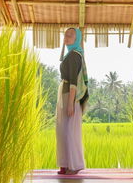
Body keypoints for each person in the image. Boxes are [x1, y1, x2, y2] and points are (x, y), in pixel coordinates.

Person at [55, 27, 89, 175]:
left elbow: (74, 81)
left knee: (70, 132)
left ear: (77, 39)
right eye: (66, 34)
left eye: (71, 35)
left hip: (71, 96)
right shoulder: (69, 54)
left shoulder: (75, 55)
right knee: (62, 131)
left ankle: (74, 165)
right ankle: (65, 164)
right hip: (64, 94)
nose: (67, 37)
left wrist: (71, 103)